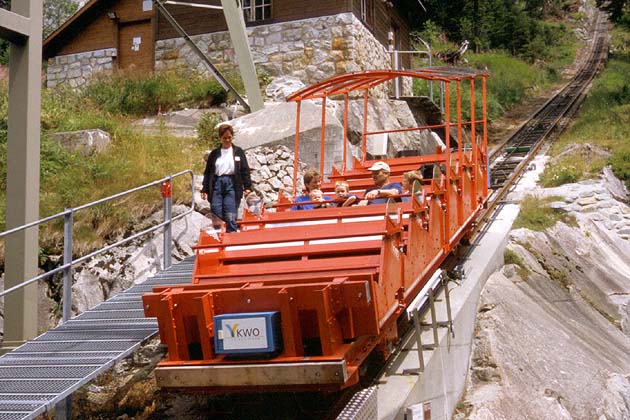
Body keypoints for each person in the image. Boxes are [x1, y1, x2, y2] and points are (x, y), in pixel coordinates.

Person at [201, 123, 252, 233]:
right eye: (224, 138)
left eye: (229, 137)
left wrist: (247, 186)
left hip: (232, 183)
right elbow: (208, 172)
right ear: (220, 138)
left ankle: (232, 235)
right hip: (217, 183)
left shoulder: (238, 152)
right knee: (216, 210)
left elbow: (244, 170)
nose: (227, 140)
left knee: (230, 211)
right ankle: (219, 235)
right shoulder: (214, 154)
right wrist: (204, 189)